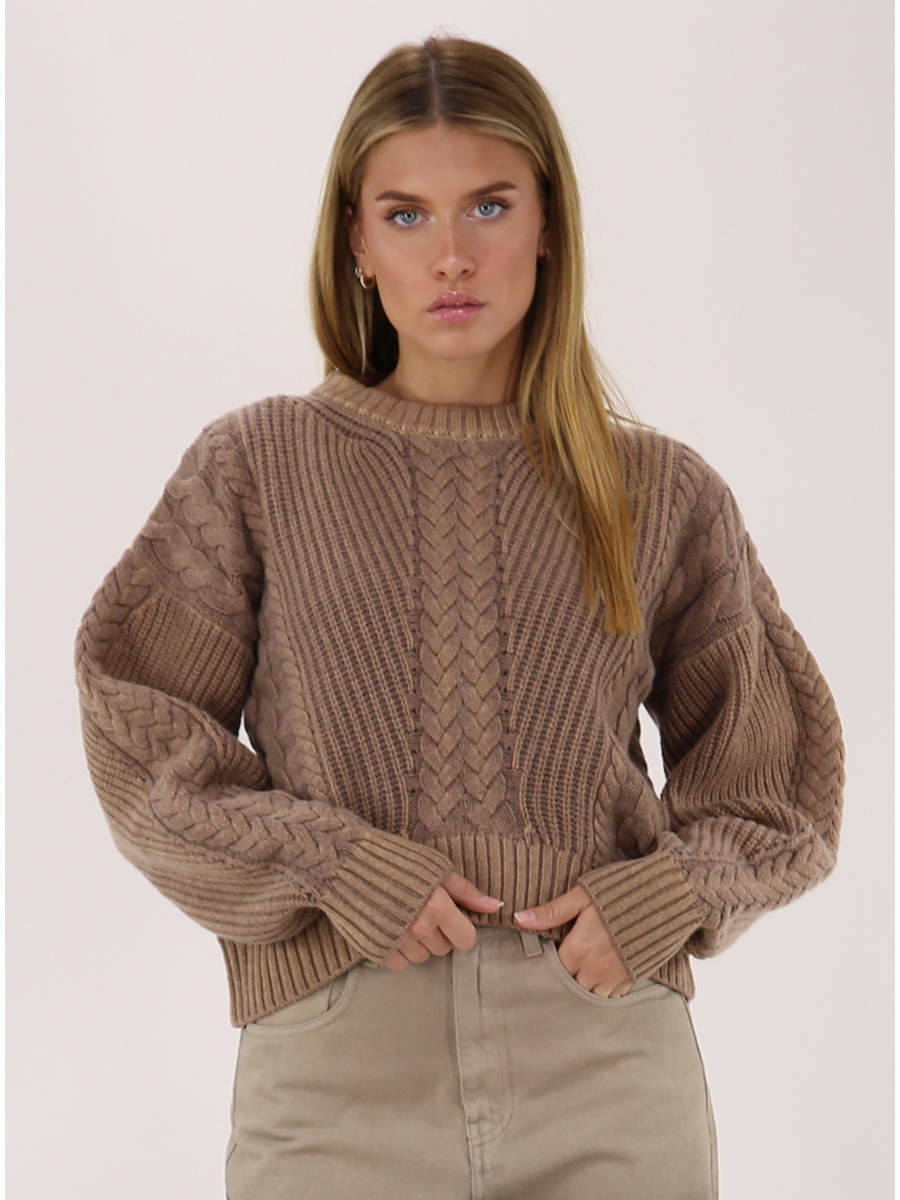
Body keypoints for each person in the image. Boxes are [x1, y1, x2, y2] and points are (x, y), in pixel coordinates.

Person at [74, 32, 844, 1200]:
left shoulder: (659, 491)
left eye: (489, 206)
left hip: (605, 1063)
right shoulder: (257, 468)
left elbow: (777, 785)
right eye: (406, 214)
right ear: (355, 242)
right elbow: (136, 721)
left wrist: (665, 895)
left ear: (550, 224)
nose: (451, 255)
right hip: (336, 1069)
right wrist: (331, 862)